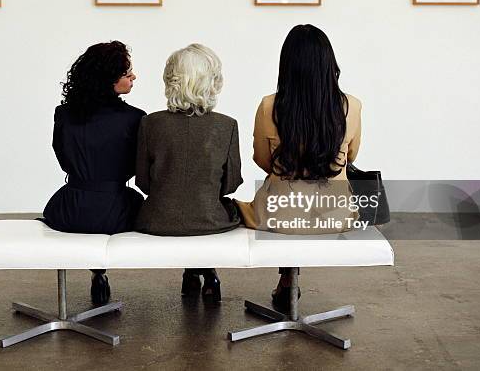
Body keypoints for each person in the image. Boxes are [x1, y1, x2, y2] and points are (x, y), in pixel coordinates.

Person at [235, 24, 364, 313]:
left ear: (287, 65)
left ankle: (286, 280)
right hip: (334, 214)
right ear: (329, 63)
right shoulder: (351, 106)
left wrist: (288, 167)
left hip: (278, 215)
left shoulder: (269, 106)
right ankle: (287, 282)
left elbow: (261, 159)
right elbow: (351, 155)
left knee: (274, 203)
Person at [134, 43, 243, 303]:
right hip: (210, 220)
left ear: (171, 80)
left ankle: (193, 273)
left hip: (158, 220)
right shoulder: (226, 126)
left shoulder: (150, 123)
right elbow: (230, 184)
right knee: (229, 206)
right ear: (213, 82)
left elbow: (143, 182)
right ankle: (206, 273)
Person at [42, 41, 145, 306]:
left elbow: (63, 158)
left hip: (70, 209)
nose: (133, 76)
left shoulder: (63, 114)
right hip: (117, 209)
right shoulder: (135, 118)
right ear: (108, 79)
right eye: (127, 72)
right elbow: (139, 167)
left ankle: (98, 274)